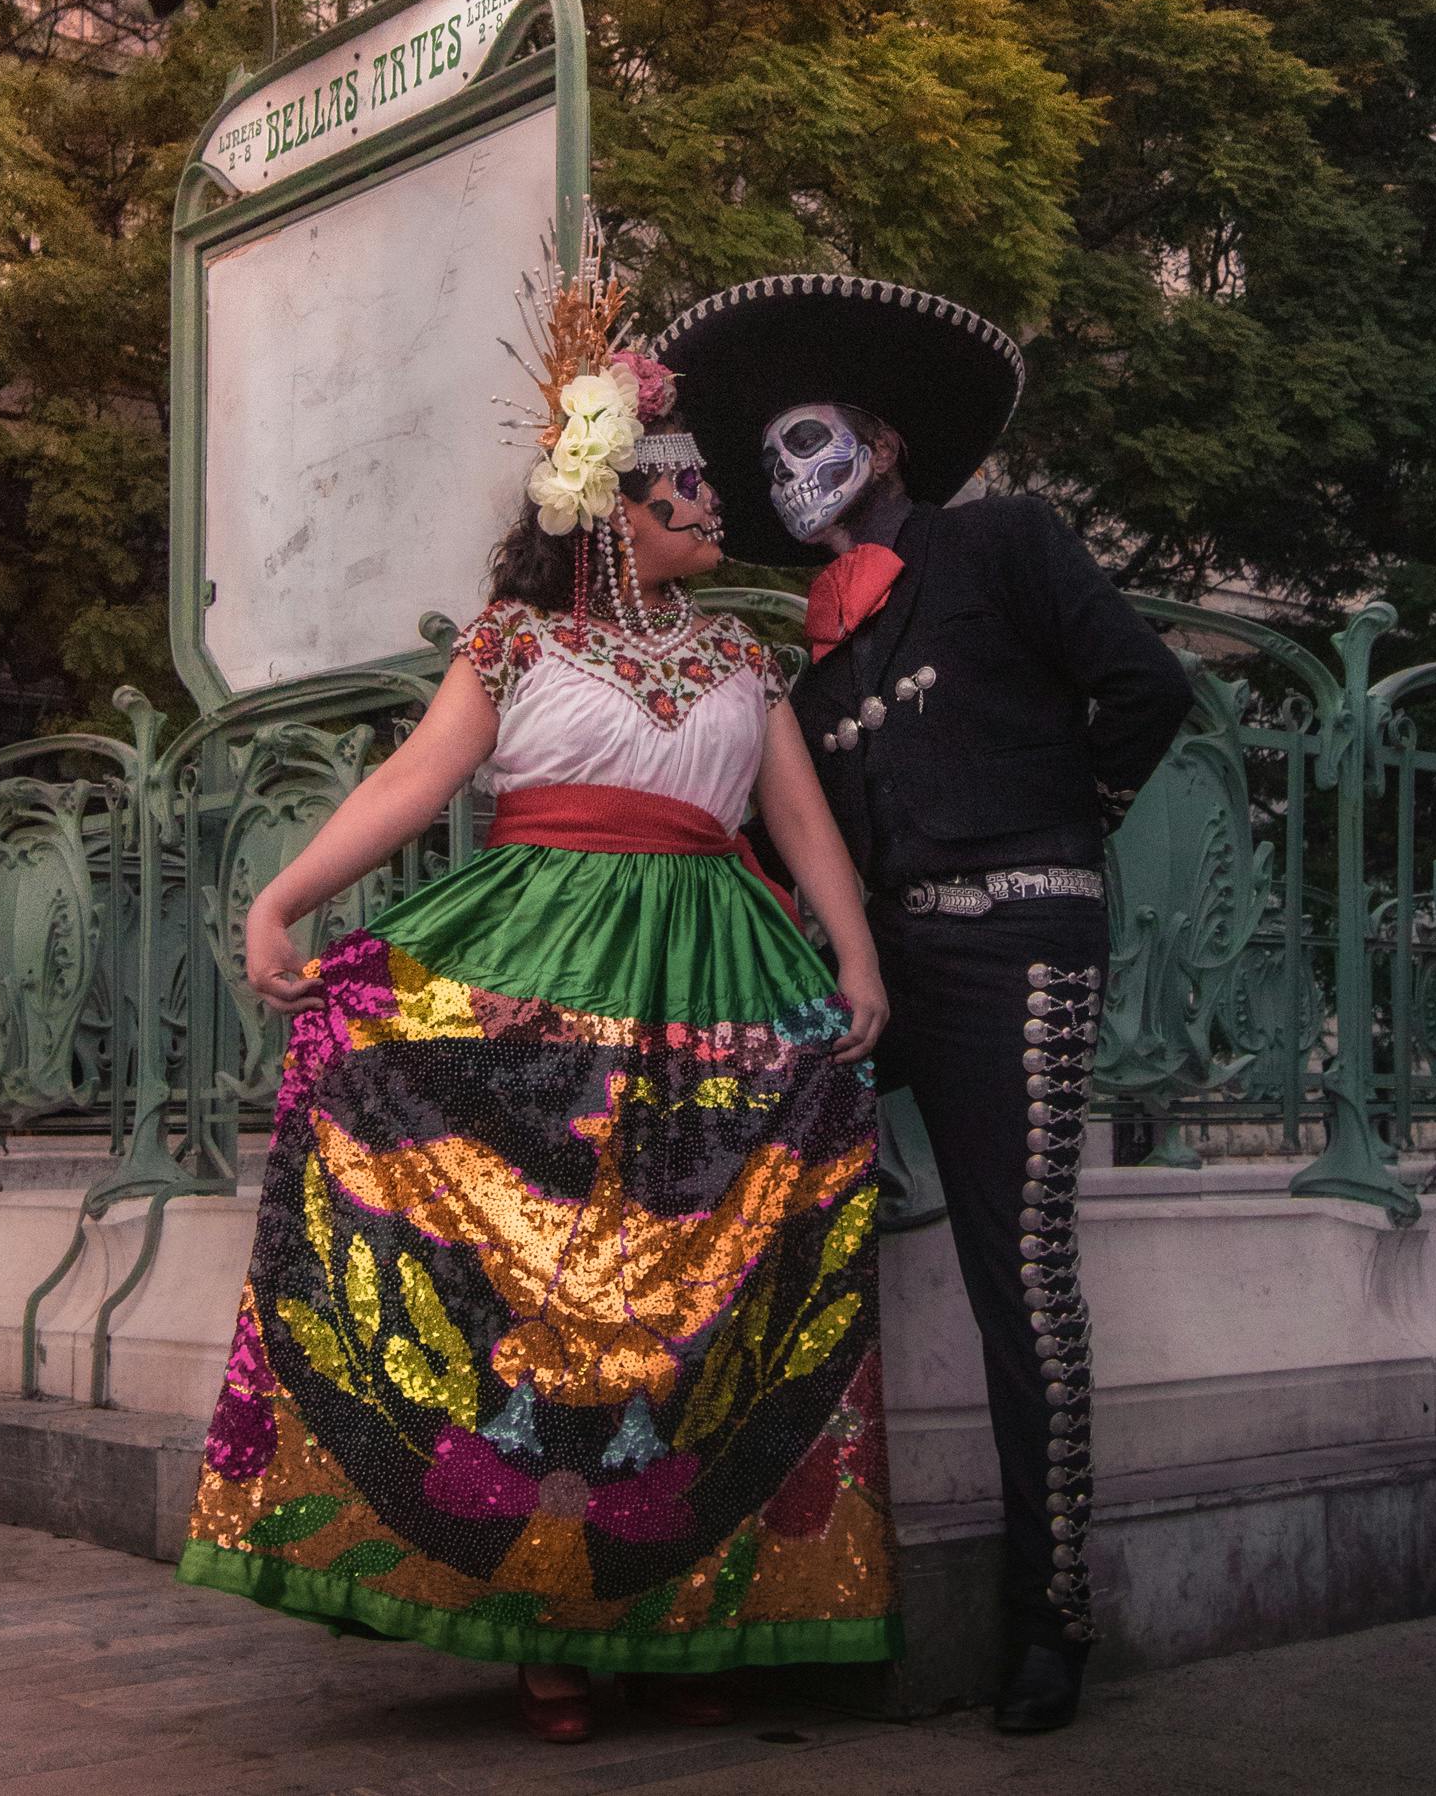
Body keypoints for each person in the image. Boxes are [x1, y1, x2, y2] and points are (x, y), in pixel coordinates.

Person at [177, 252, 897, 1745]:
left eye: (706, 490)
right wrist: (280, 898)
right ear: (613, 513)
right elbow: (412, 780)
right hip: (531, 966)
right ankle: (537, 1613)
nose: (712, 506)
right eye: (682, 490)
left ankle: (677, 1602)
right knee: (540, 1293)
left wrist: (856, 956)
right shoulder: (515, 643)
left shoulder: (741, 657)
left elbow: (805, 824)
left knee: (700, 1286)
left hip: (716, 973)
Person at [661, 274, 1193, 1736]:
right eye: (766, 460)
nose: (787, 472)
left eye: (809, 441)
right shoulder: (811, 653)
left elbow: (1145, 689)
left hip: (1021, 950)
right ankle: (732, 1594)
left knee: (1021, 1274)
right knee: (732, 1204)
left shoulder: (1003, 541)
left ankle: (1050, 1618)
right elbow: (785, 840)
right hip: (878, 985)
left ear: (883, 442)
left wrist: (1057, 830)